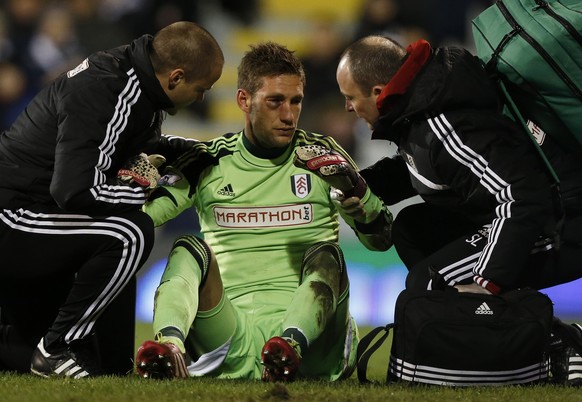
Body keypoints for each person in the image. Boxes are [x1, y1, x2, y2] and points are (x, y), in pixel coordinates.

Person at [134, 41, 392, 382]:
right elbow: (141, 222)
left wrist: (359, 199)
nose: (288, 115)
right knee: (187, 248)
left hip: (312, 345)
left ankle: (290, 345)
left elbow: (381, 239)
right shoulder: (209, 161)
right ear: (244, 100)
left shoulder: (320, 154)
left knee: (328, 254)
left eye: (295, 101)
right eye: (275, 102)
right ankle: (169, 349)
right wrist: (133, 187)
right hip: (230, 334)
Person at [334, 34, 582, 367]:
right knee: (412, 229)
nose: (348, 107)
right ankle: (543, 337)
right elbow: (426, 164)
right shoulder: (428, 102)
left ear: (378, 93)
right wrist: (359, 185)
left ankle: (554, 344)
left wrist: (488, 280)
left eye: (350, 97)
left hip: (563, 224)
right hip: (542, 211)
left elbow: (521, 195)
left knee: (428, 283)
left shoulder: (443, 123)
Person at [0, 21, 224, 378]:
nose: (201, 98)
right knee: (130, 232)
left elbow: (119, 147)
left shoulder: (137, 84)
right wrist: (140, 188)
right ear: (176, 77)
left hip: (40, 214)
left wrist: (183, 150)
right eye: (202, 89)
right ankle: (54, 349)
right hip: (15, 217)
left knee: (108, 365)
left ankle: (40, 345)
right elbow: (74, 190)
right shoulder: (112, 89)